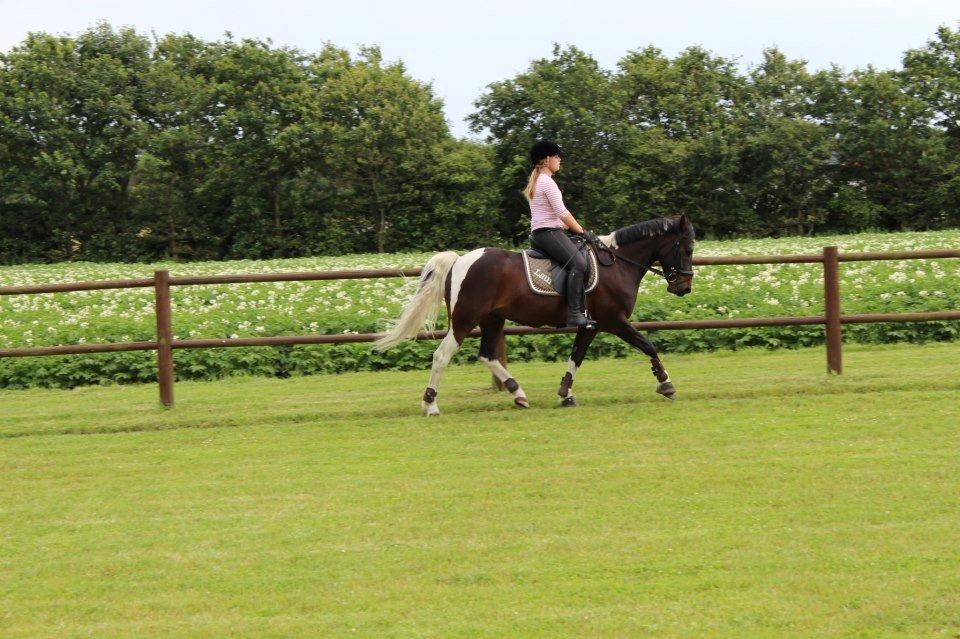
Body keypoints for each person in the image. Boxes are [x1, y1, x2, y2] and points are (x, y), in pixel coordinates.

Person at [524, 139, 597, 328]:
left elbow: (550, 215)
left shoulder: (538, 181)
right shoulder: (547, 182)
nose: (560, 160)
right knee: (579, 264)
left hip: (543, 233)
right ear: (547, 159)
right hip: (547, 233)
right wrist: (583, 231)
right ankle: (574, 313)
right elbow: (562, 212)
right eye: (557, 156)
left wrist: (565, 227)